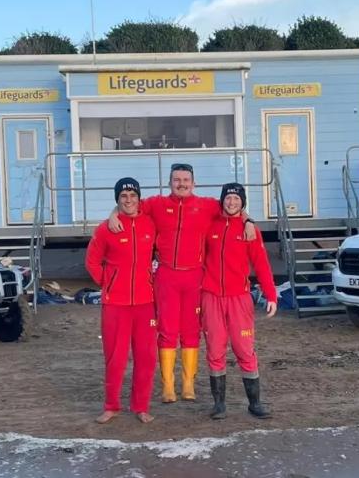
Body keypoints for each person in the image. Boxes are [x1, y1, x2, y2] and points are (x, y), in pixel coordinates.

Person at [107, 163, 256, 404]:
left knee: (191, 330)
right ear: (170, 183)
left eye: (186, 180)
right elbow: (129, 204)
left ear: (193, 183)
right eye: (177, 180)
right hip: (166, 276)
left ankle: (188, 385)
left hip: (195, 276)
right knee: (166, 330)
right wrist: (113, 213)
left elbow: (235, 207)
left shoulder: (206, 205)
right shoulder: (156, 204)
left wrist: (250, 221)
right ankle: (167, 387)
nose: (182, 184)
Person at [84, 177, 158, 424]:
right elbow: (92, 261)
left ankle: (141, 407)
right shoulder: (107, 228)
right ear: (117, 200)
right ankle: (111, 406)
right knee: (115, 358)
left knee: (146, 357)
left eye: (132, 196)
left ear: (139, 198)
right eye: (123, 197)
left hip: (146, 302)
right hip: (115, 303)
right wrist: (107, 282)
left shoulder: (151, 223)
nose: (129, 200)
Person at [201, 182, 277, 420]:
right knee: (215, 349)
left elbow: (262, 264)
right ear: (222, 200)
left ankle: (254, 403)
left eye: (236, 199)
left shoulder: (249, 230)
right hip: (211, 296)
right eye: (228, 198)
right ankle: (219, 405)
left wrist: (271, 294)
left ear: (242, 202)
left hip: (239, 298)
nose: (231, 202)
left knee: (245, 349)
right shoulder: (209, 224)